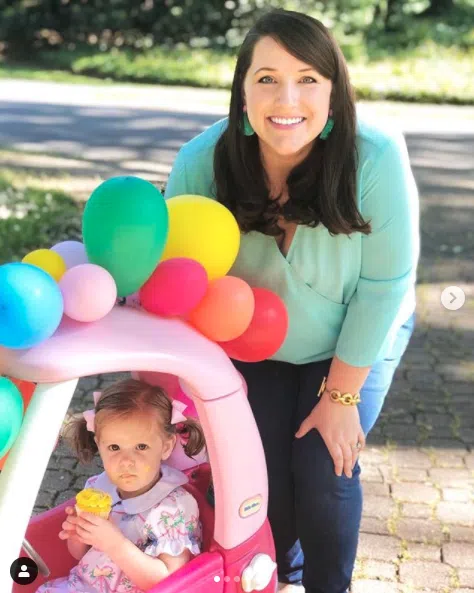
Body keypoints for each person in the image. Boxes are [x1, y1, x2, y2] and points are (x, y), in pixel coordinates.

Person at [164, 8, 419, 593]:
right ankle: (280, 578)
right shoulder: (201, 164)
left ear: (333, 91)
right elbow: (177, 285)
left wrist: (341, 396)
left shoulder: (373, 160)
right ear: (243, 93)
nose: (288, 97)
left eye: (308, 78)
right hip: (255, 343)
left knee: (325, 470)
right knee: (262, 485)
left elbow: (383, 289)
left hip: (356, 333)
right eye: (267, 78)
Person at [36, 378, 205, 593]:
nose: (126, 461)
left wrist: (114, 544)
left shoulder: (174, 508)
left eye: (141, 446)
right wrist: (79, 535)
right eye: (114, 447)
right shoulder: (98, 488)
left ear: (166, 446)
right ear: (99, 443)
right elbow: (82, 555)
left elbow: (170, 583)